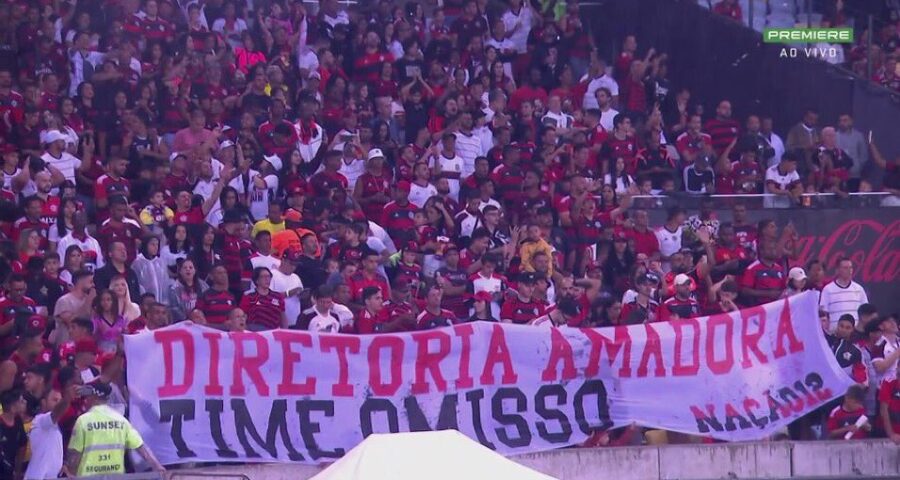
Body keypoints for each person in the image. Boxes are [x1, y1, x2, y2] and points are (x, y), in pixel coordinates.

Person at [66, 382, 165, 477]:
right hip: (115, 477)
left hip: (88, 477)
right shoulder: (121, 420)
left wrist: (71, 473)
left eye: (87, 397)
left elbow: (75, 455)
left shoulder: (83, 421)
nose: (85, 400)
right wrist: (157, 466)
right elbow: (141, 448)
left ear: (94, 397)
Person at [24, 383, 75, 480]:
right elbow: (55, 413)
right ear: (43, 403)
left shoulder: (55, 427)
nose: (58, 403)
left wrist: (62, 465)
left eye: (60, 400)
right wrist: (67, 399)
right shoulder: (41, 421)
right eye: (55, 400)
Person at [820, 257, 869, 331]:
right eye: (845, 268)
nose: (849, 270)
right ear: (837, 270)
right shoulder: (828, 289)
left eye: (851, 268)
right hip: (835, 333)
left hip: (854, 333)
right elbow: (823, 313)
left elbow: (865, 312)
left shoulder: (859, 289)